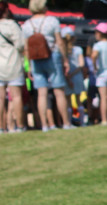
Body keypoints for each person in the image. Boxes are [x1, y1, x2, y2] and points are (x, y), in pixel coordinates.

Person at [21, 0, 69, 130]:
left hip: (35, 59)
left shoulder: (26, 25)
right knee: (59, 91)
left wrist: (29, 66)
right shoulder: (52, 21)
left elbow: (26, 47)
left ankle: (45, 125)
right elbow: (59, 41)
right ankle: (66, 123)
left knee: (41, 93)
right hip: (52, 56)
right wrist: (65, 59)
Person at [0, 0, 25, 133]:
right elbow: (21, 45)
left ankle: (1, 127)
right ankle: (20, 126)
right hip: (12, 63)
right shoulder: (10, 25)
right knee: (16, 96)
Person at [61, 26, 85, 125]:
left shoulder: (62, 51)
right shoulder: (78, 49)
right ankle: (82, 122)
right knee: (78, 100)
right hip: (77, 76)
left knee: (68, 102)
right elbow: (81, 64)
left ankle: (69, 122)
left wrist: (68, 76)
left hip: (66, 77)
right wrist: (74, 73)